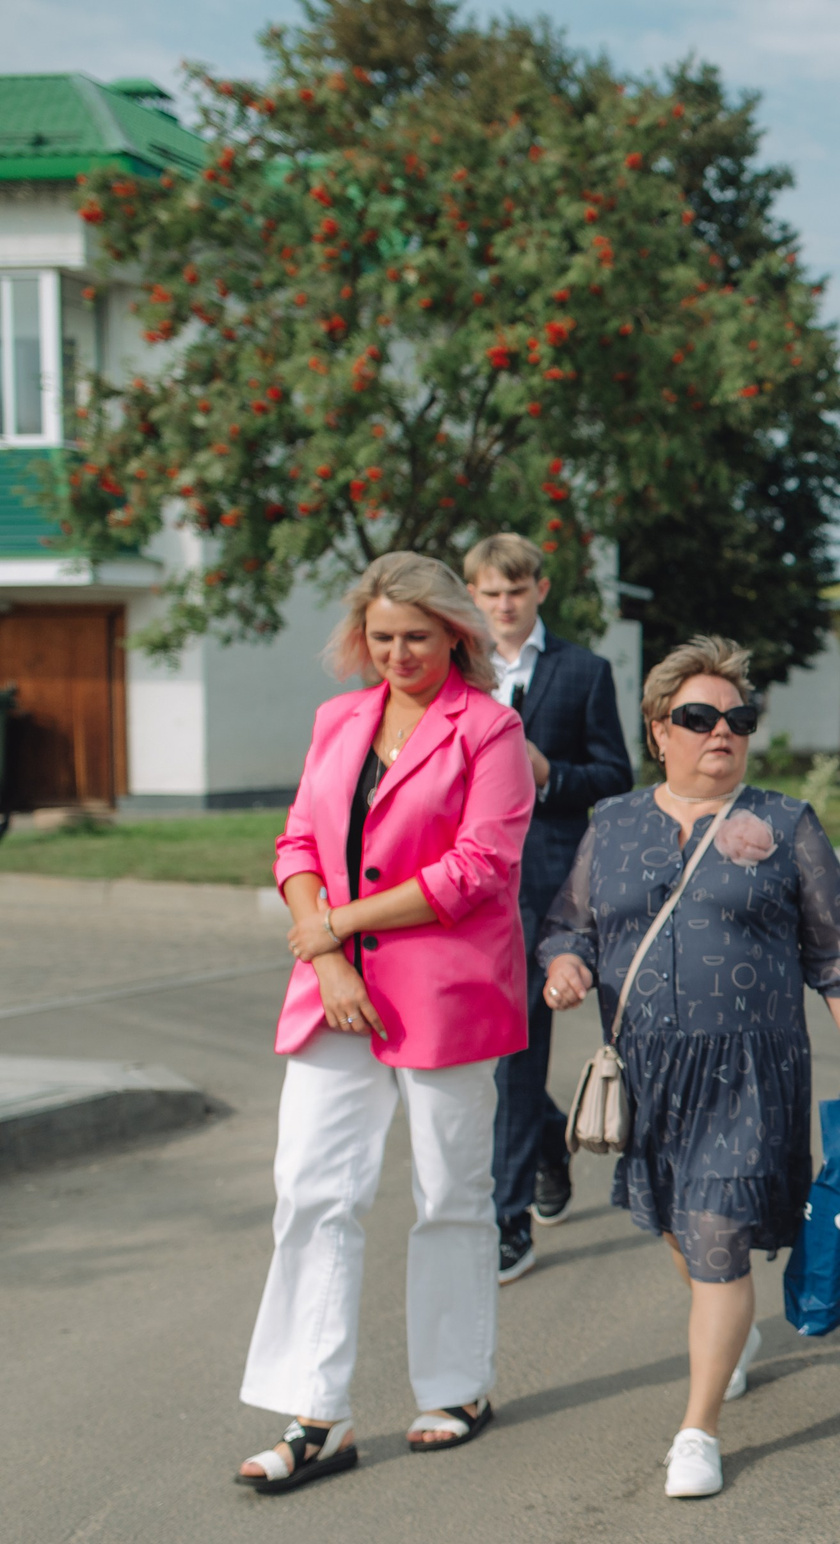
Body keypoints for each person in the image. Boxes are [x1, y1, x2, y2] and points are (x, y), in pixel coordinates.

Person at [540, 636, 840, 1500]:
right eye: (698, 717)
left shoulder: (787, 825)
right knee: (681, 1227)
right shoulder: (612, 825)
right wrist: (563, 965)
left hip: (748, 1072)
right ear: (660, 729)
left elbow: (835, 953)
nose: (720, 731)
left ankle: (697, 1429)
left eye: (737, 718)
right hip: (645, 1074)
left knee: (719, 1230)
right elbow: (565, 924)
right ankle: (728, 1331)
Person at [235, 552, 534, 1494]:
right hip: (333, 989)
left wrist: (344, 924)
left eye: (416, 635)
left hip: (445, 991)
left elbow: (478, 867)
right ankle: (315, 1412)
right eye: (380, 637)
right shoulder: (337, 720)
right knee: (311, 1189)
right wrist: (324, 956)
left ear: (457, 632)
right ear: (359, 638)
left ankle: (457, 1386)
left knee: (449, 1190)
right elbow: (296, 842)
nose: (397, 653)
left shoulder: (491, 730)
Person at [463, 532, 633, 1283]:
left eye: (517, 589)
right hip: (468, 887)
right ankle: (546, 1145)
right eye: (491, 592)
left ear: (541, 589)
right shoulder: (456, 670)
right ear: (472, 595)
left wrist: (548, 771)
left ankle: (510, 1221)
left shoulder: (582, 671)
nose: (504, 603)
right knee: (494, 1055)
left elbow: (613, 773)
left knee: (520, 1048)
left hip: (548, 886)